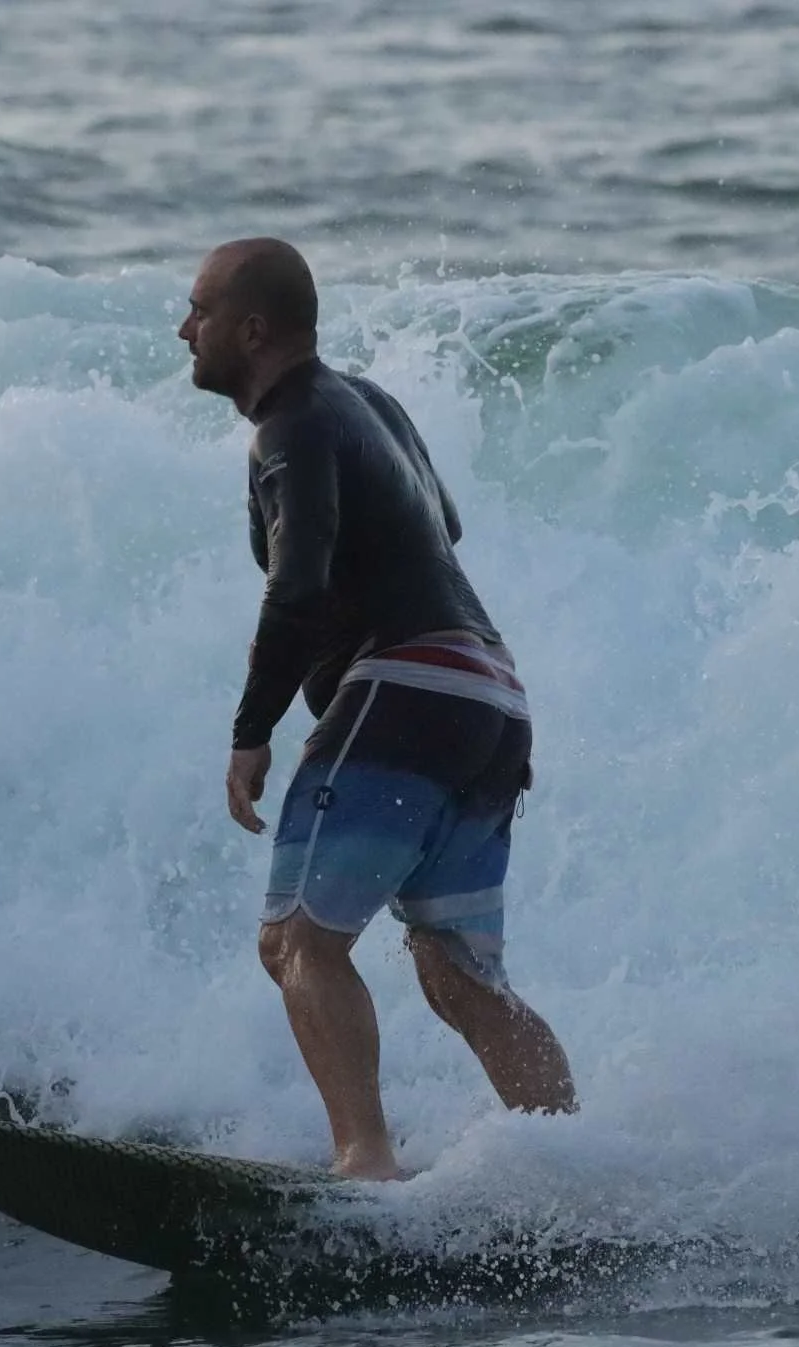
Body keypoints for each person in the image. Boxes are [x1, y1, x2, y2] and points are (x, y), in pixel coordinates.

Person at [178, 237, 577, 1180]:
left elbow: (298, 586)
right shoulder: (370, 405)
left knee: (297, 940)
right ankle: (573, 1168)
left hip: (407, 690)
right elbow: (442, 524)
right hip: (490, 695)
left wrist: (251, 733)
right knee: (461, 977)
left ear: (252, 330)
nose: (184, 329)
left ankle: (365, 1162)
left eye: (199, 310)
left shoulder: (289, 428)